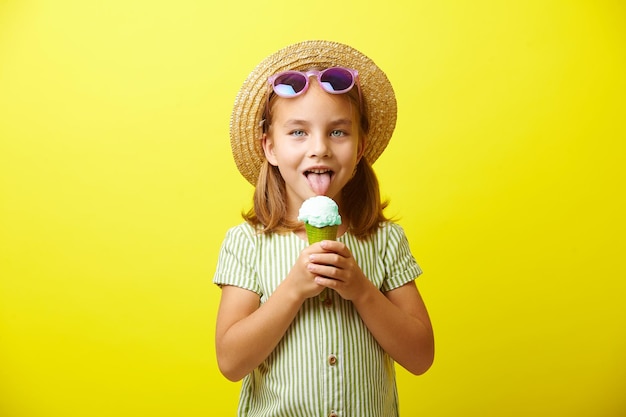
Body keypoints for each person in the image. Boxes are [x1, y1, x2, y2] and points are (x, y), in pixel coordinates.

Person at [214, 40, 434, 417]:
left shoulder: (384, 241)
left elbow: (421, 356)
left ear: (360, 147)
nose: (320, 149)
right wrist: (293, 290)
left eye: (337, 132)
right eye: (298, 132)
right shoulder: (247, 242)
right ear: (270, 148)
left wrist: (362, 291)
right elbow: (231, 362)